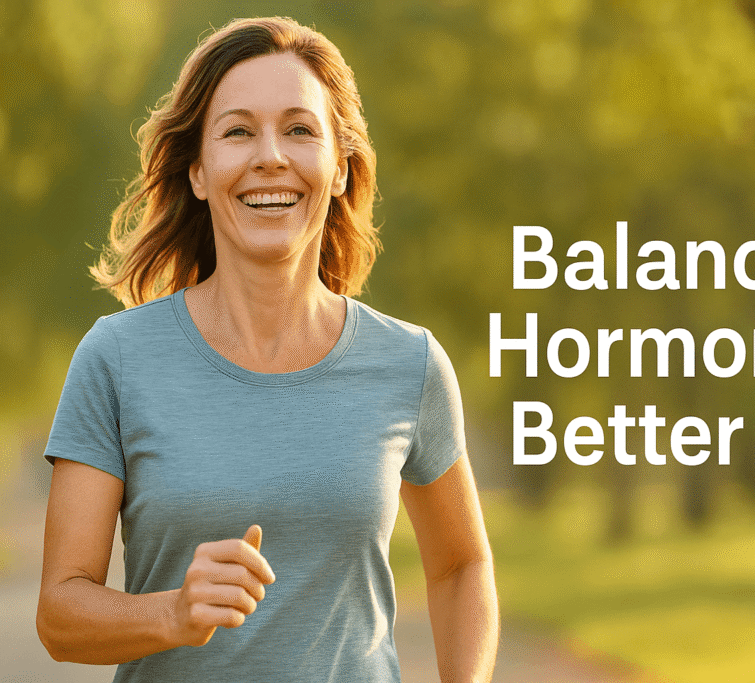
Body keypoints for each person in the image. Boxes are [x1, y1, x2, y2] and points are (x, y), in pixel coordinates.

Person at [36, 16, 498, 683]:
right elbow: (59, 612)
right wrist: (173, 613)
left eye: (300, 129)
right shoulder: (116, 359)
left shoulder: (410, 365)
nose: (270, 156)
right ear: (198, 171)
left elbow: (461, 564)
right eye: (238, 131)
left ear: (340, 168)